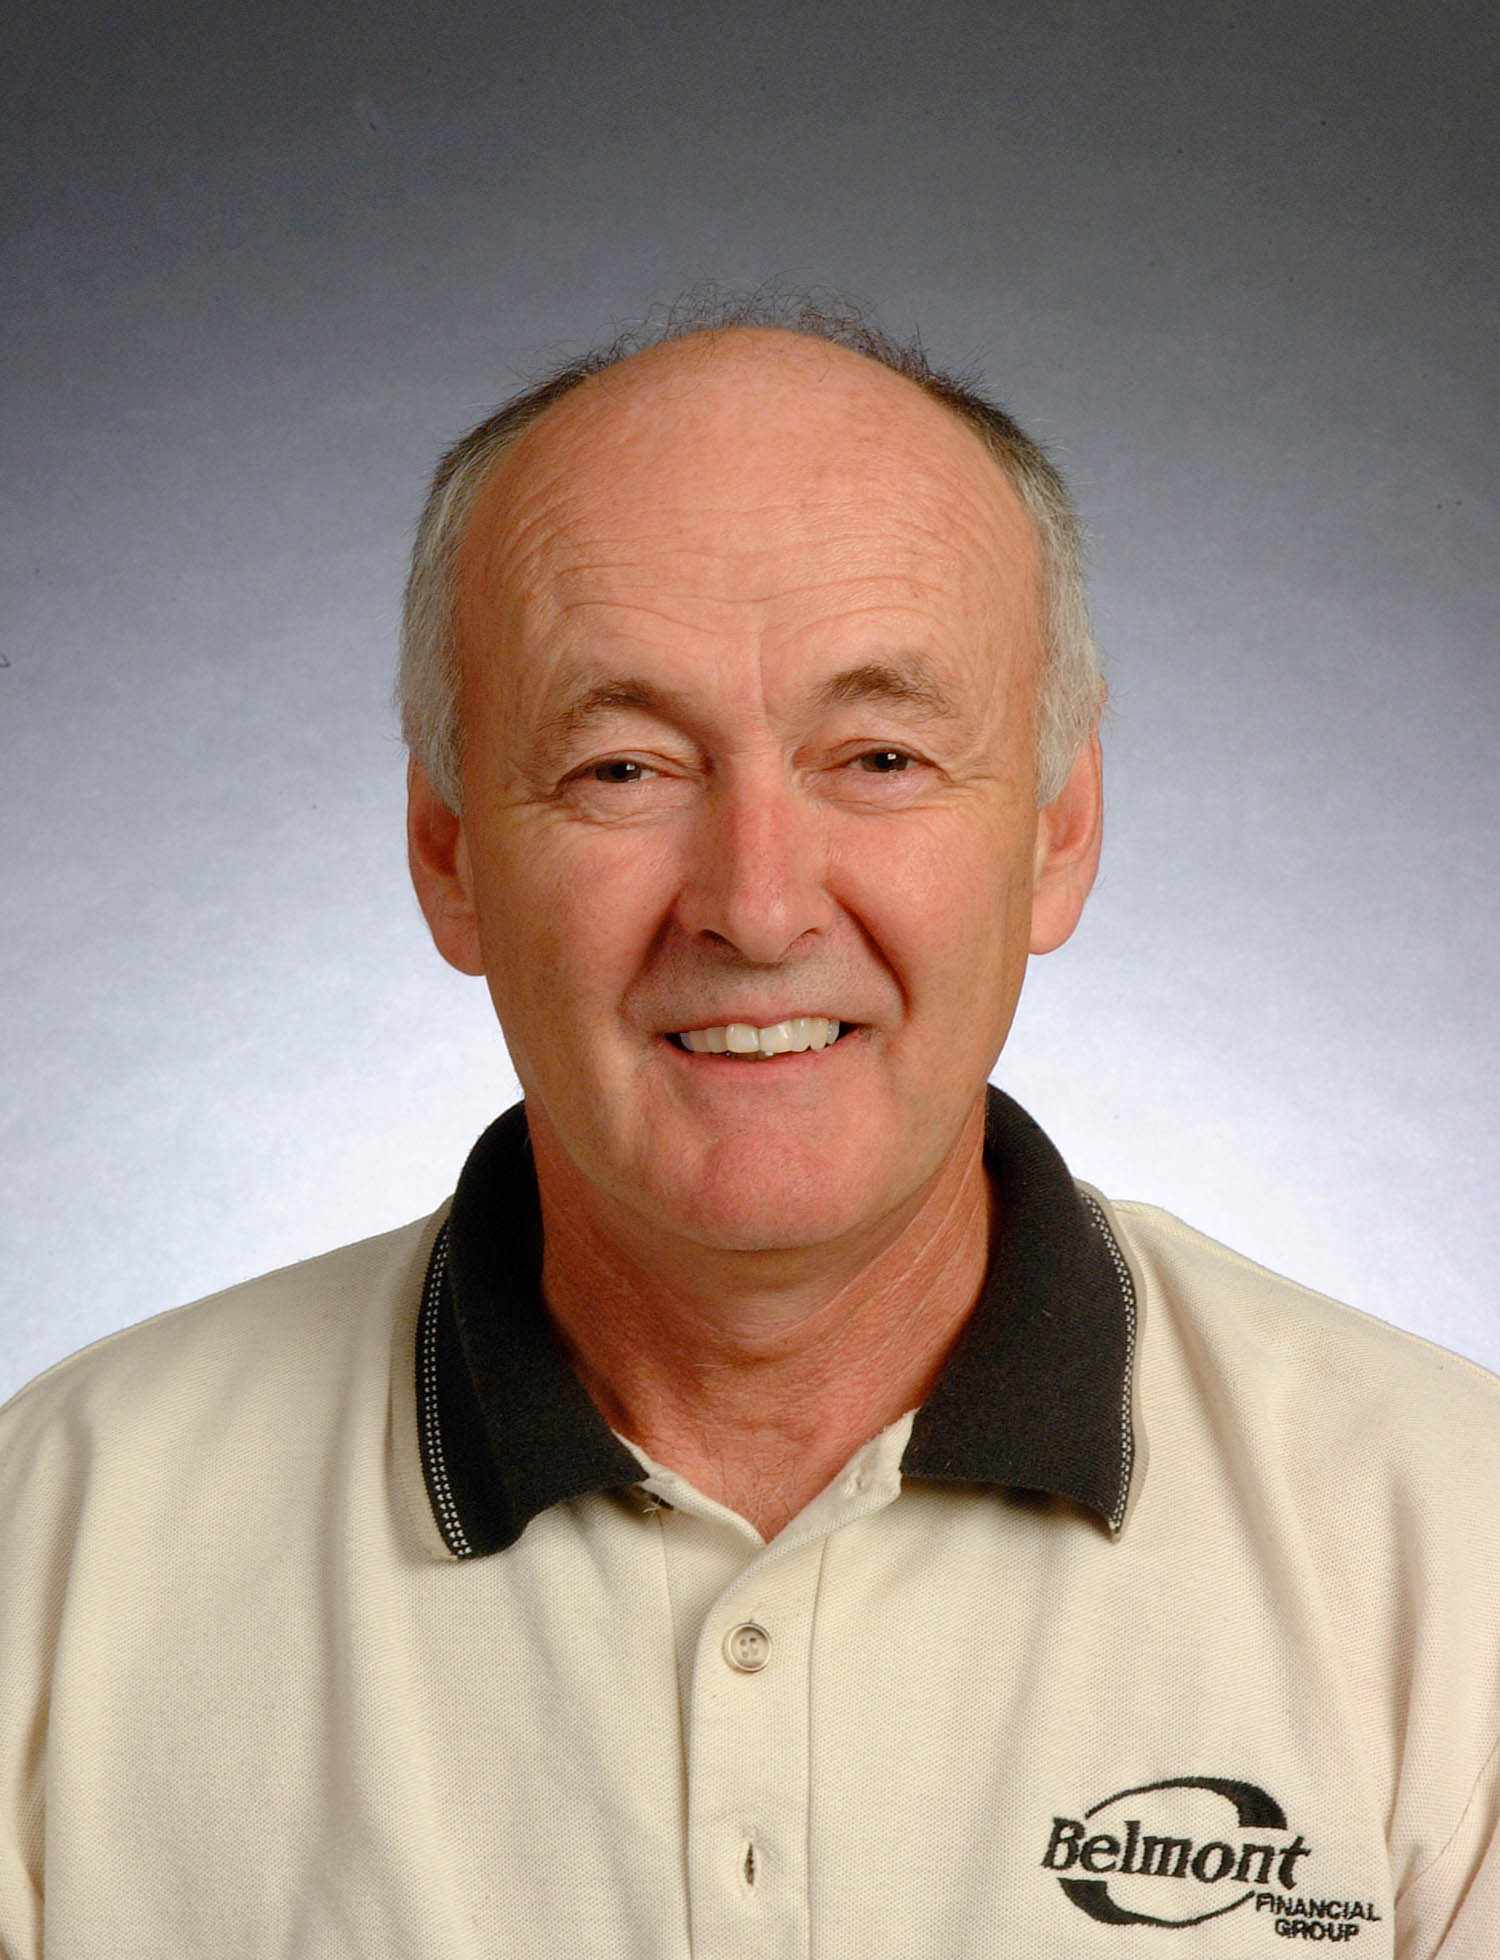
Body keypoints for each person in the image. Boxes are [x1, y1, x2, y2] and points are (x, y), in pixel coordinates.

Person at [1, 297, 1496, 1959]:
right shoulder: (53, 1553)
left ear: (1057, 831)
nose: (758, 905)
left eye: (880, 756)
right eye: (624, 769)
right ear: (448, 853)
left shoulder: (1454, 1545)